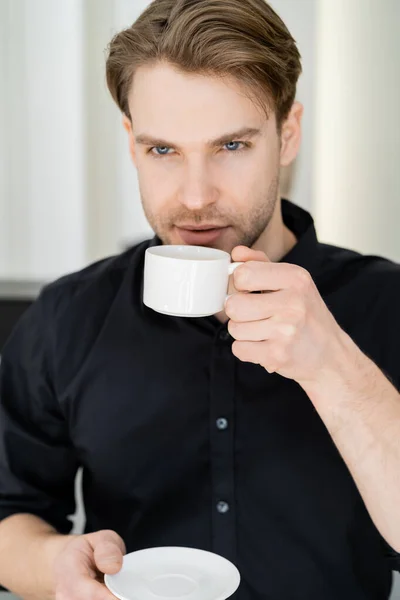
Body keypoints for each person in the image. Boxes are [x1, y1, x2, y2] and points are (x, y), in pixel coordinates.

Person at [1, 0, 400, 598]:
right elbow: (9, 516)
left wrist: (336, 369)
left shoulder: (387, 304)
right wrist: (55, 567)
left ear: (287, 134)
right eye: (163, 151)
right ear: (132, 142)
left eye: (232, 146)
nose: (194, 197)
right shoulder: (65, 319)